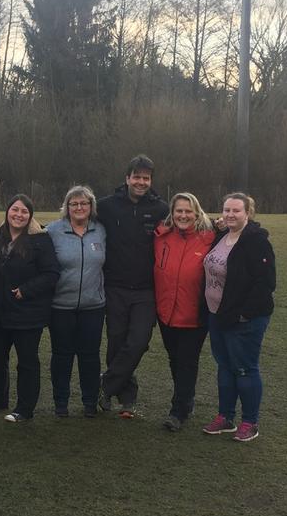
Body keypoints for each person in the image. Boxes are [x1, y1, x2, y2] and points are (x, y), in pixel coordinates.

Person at [95, 154, 169, 418]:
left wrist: (217, 227)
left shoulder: (161, 209)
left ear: (151, 180)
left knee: (138, 341)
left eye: (145, 178)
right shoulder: (106, 206)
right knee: (116, 341)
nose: (141, 182)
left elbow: (187, 224)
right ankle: (126, 398)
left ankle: (105, 385)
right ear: (127, 178)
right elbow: (75, 215)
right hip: (114, 287)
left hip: (146, 291)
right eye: (136, 177)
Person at [0, 194, 60, 423]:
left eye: (24, 212)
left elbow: (52, 274)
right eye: (15, 210)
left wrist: (26, 289)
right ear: (7, 211)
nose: (18, 215)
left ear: (30, 216)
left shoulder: (40, 241)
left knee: (27, 362)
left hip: (27, 314)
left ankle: (25, 408)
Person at [202, 192, 276, 442]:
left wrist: (245, 314)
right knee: (224, 366)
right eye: (227, 210)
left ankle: (249, 422)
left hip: (244, 319)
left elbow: (265, 282)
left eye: (236, 211)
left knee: (244, 368)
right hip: (217, 314)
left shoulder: (256, 241)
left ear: (248, 213)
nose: (231, 214)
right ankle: (225, 417)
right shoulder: (222, 235)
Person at [154, 192, 215, 432]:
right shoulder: (160, 236)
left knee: (187, 362)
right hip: (166, 312)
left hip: (195, 315)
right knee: (174, 359)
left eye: (188, 211)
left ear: (197, 213)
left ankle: (178, 411)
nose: (183, 215)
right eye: (179, 210)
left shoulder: (210, 237)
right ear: (172, 212)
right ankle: (185, 401)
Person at [46, 185, 106, 418]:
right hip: (61, 306)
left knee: (90, 356)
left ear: (91, 207)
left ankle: (90, 401)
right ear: (67, 207)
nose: (79, 207)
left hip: (93, 306)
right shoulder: (53, 231)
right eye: (74, 204)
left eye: (84, 203)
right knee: (62, 355)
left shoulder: (101, 230)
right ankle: (60, 402)